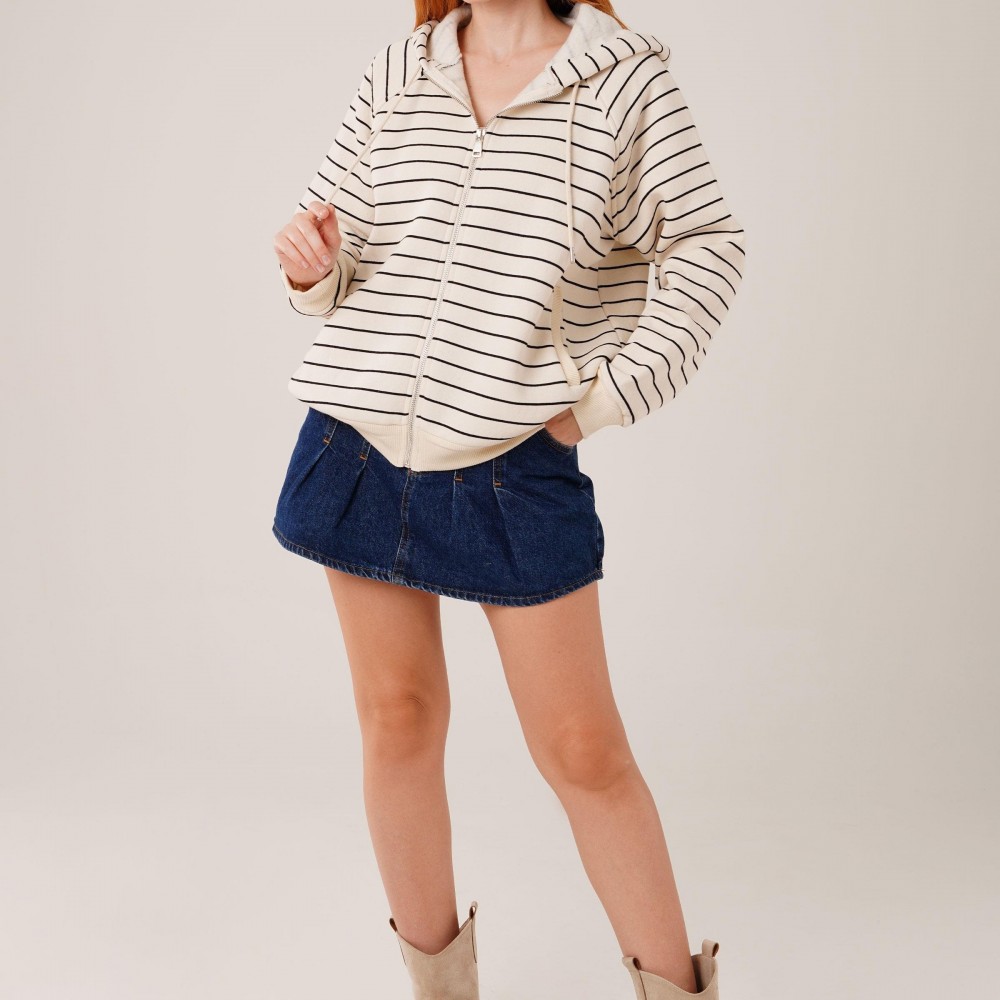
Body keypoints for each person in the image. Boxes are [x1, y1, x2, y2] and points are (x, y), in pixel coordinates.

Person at [271, 2, 746, 998]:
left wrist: (601, 400)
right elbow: (337, 251)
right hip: (357, 443)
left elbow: (707, 247)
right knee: (398, 719)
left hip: (510, 461)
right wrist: (313, 268)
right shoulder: (400, 69)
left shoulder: (625, 81)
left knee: (583, 750)